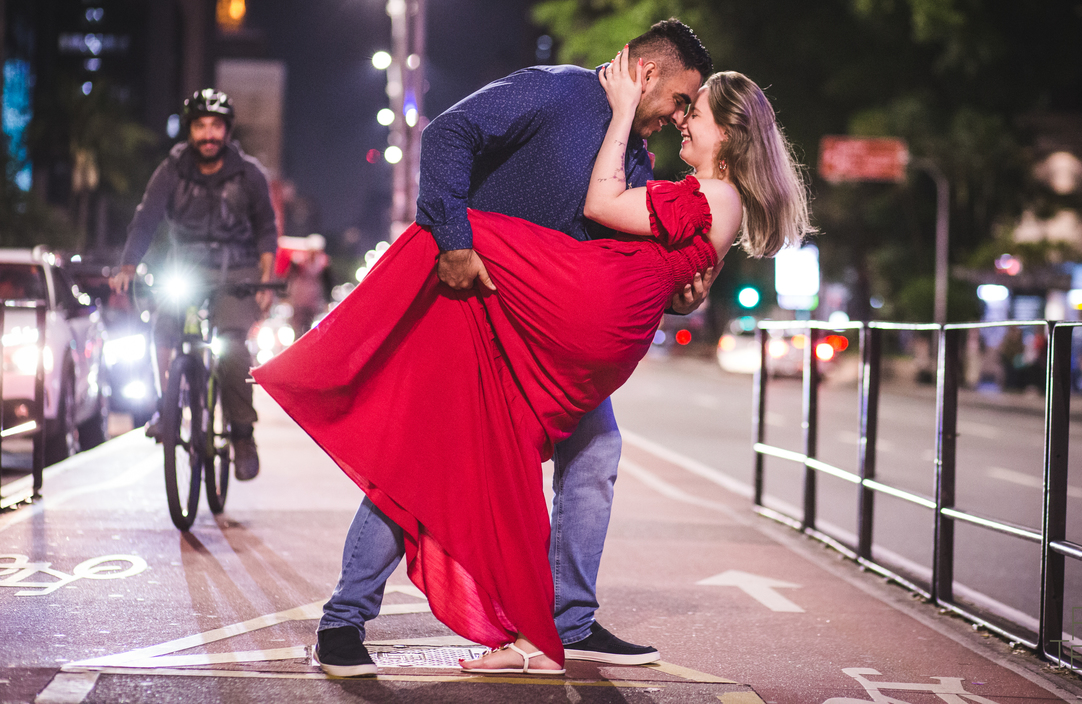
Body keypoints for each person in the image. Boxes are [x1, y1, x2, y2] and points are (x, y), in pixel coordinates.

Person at [255, 49, 812, 675]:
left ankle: (569, 621)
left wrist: (681, 290)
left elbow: (648, 255)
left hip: (553, 328)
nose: (679, 118)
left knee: (596, 451)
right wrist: (458, 243)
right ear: (649, 75)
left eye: (693, 110)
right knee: (431, 455)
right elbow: (447, 135)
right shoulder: (555, 93)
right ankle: (345, 617)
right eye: (681, 100)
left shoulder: (635, 153)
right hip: (489, 309)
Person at [110, 89, 277, 481]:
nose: (208, 134)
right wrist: (129, 265)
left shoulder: (249, 173)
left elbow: (267, 229)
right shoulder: (171, 169)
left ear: (227, 130)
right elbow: (146, 217)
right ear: (190, 130)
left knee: (233, 348)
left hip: (236, 269)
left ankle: (241, 433)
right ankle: (165, 407)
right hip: (184, 266)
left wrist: (265, 281)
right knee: (163, 326)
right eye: (200, 126)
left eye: (216, 126)